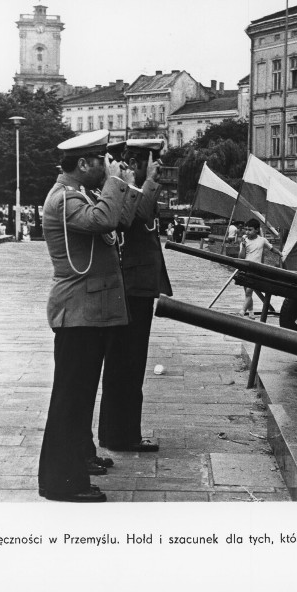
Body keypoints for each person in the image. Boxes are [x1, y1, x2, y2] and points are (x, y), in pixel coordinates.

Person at [37, 129, 139, 503]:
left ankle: (77, 459)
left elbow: (119, 221)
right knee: (70, 399)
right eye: (101, 161)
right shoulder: (64, 199)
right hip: (77, 310)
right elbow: (103, 221)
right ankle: (61, 482)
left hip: (89, 311)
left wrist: (124, 185)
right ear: (83, 164)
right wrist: (115, 183)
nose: (105, 167)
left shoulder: (80, 195)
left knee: (79, 397)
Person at [97, 139, 171, 453]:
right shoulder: (127, 190)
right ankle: (121, 435)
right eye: (153, 163)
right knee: (126, 363)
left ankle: (122, 432)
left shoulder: (135, 189)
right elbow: (139, 215)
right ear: (138, 163)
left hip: (137, 286)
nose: (158, 170)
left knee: (130, 363)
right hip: (131, 287)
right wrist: (149, 180)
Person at [238, 218, 283, 317]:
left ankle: (242, 312)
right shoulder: (244, 240)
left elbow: (272, 249)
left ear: (257, 230)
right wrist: (244, 246)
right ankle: (251, 313)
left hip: (255, 269)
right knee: (247, 293)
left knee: (249, 291)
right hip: (245, 268)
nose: (247, 232)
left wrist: (280, 253)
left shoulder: (262, 240)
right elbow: (241, 257)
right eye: (246, 229)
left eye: (250, 230)